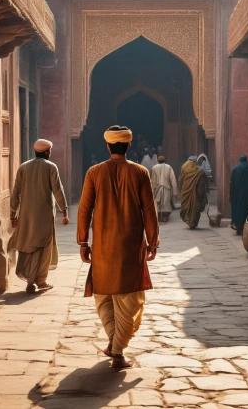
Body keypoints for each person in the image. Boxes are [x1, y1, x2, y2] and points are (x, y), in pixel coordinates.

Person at [77, 125, 159, 369]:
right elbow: (149, 210)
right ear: (129, 145)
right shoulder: (140, 172)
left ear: (107, 146)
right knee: (129, 298)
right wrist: (152, 241)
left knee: (105, 297)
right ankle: (117, 351)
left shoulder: (94, 172)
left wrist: (83, 241)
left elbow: (84, 208)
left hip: (102, 246)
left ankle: (114, 344)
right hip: (131, 246)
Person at [10, 139, 69, 294]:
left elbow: (16, 193)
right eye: (50, 151)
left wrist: (12, 214)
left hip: (26, 216)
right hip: (45, 215)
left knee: (28, 245)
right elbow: (57, 190)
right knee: (43, 248)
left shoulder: (23, 167)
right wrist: (64, 210)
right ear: (47, 151)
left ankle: (30, 281)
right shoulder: (51, 167)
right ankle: (40, 281)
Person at [179, 155, 209, 229]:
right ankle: (193, 222)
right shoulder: (199, 171)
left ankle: (189, 221)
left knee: (187, 207)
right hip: (196, 194)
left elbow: (180, 181)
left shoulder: (184, 168)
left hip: (185, 193)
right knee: (195, 208)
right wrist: (202, 196)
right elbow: (201, 184)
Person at [230, 155, 248, 235]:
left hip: (237, 195)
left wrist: (231, 195)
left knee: (237, 209)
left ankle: (237, 225)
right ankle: (247, 227)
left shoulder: (235, 169)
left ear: (240, 160)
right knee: (247, 210)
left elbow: (231, 183)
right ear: (246, 160)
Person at [151, 156, 178, 222]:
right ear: (165, 160)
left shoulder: (154, 168)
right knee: (166, 204)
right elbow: (173, 180)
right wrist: (175, 192)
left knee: (157, 203)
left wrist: (152, 190)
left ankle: (159, 216)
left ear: (158, 161)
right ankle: (165, 217)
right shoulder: (169, 167)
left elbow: (153, 180)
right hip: (167, 189)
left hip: (157, 189)